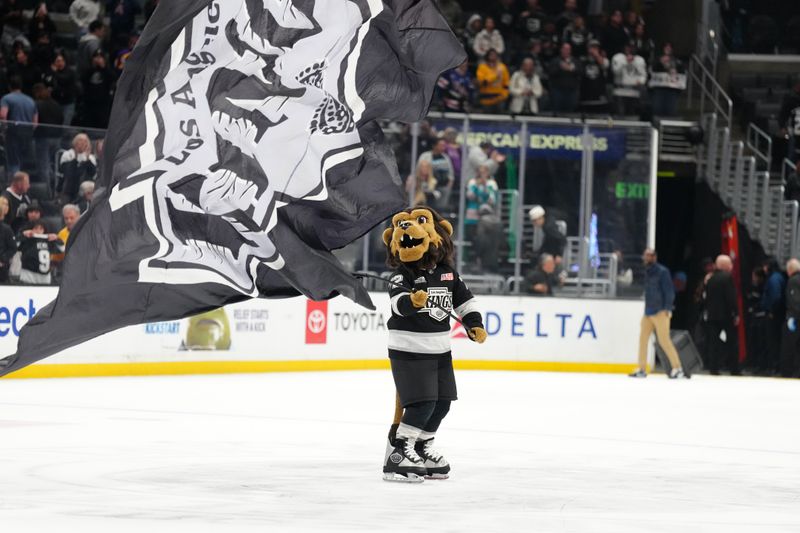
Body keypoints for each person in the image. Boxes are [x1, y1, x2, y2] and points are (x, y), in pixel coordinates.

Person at [381, 207, 486, 482]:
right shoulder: (402, 275)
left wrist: (474, 323)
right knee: (422, 403)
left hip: (440, 350)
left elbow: (465, 301)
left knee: (442, 403)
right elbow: (397, 305)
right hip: (408, 350)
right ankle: (400, 451)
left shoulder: (448, 274)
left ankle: (421, 446)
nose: (409, 228)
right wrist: (411, 301)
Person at [629, 248, 688, 378]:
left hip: (660, 311)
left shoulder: (662, 272)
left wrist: (667, 308)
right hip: (648, 311)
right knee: (643, 339)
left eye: (648, 256)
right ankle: (642, 368)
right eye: (645, 255)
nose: (645, 258)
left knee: (664, 340)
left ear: (654, 257)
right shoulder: (647, 272)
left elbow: (669, 291)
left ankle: (677, 368)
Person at [703, 255, 740, 376]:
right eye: (730, 264)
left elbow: (706, 298)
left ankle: (713, 368)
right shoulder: (727, 277)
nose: (731, 266)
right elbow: (731, 298)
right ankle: (734, 369)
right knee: (732, 342)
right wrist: (735, 313)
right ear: (725, 266)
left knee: (713, 343)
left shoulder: (710, 278)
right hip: (726, 315)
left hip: (712, 316)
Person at [1, 75, 37, 177]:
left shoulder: (6, 98)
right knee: (24, 161)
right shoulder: (30, 100)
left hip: (13, 132)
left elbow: (3, 115)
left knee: (13, 160)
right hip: (28, 133)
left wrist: (4, 130)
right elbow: (35, 122)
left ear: (9, 87)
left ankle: (14, 185)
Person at [32, 83, 63, 189]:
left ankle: (46, 191)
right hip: (57, 137)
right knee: (54, 164)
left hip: (43, 137)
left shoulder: (37, 104)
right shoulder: (56, 104)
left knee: (43, 165)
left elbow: (35, 121)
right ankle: (55, 188)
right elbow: (61, 119)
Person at [465, 164, 499, 247]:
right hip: (473, 212)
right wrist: (476, 186)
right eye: (480, 172)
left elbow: (492, 200)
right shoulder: (472, 182)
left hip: (486, 212)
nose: (482, 174)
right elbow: (469, 196)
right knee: (471, 235)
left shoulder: (492, 183)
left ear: (487, 173)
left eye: (484, 172)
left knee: (485, 236)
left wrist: (486, 187)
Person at [762, 257, 786, 374]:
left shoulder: (773, 279)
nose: (764, 268)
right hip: (778, 314)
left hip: (774, 315)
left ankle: (774, 367)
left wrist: (772, 311)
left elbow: (776, 296)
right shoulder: (778, 277)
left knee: (773, 341)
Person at [17, 220, 60, 285]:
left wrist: (57, 239)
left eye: (41, 228)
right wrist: (22, 235)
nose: (38, 231)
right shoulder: (26, 240)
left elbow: (63, 249)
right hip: (29, 274)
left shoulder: (48, 241)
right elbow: (14, 245)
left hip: (45, 276)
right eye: (36, 228)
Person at [58, 133, 97, 203]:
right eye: (80, 140)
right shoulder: (67, 154)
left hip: (85, 188)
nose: (82, 143)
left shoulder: (90, 157)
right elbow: (67, 172)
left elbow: (93, 174)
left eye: (85, 141)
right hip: (69, 187)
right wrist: (75, 158)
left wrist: (87, 160)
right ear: (75, 142)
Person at [42, 52, 78, 125]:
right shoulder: (49, 72)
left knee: (65, 125)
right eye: (58, 61)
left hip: (67, 103)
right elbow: (47, 82)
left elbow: (64, 79)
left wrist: (55, 73)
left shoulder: (70, 72)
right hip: (55, 103)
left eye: (62, 61)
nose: (60, 63)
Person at [611, 42, 647, 116]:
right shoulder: (617, 57)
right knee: (620, 114)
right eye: (628, 47)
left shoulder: (640, 60)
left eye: (632, 47)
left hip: (634, 89)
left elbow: (643, 75)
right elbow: (615, 72)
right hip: (620, 89)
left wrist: (640, 81)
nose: (629, 49)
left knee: (632, 113)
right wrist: (625, 61)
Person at [417, 139, 455, 208]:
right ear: (434, 146)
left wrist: (449, 184)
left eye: (444, 146)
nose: (443, 147)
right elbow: (420, 169)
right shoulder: (425, 156)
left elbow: (451, 172)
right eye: (441, 145)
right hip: (429, 187)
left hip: (443, 186)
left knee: (441, 208)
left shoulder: (445, 157)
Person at [649, 43, 684, 117]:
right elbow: (652, 70)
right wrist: (660, 62)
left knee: (670, 109)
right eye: (666, 47)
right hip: (659, 88)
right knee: (657, 108)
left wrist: (674, 69)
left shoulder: (677, 61)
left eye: (669, 47)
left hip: (672, 89)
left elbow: (682, 73)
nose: (668, 49)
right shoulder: (656, 59)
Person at [81, 49, 114, 128]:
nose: (98, 59)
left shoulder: (108, 71)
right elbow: (83, 81)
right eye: (96, 57)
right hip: (89, 104)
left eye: (100, 57)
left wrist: (103, 68)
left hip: (103, 105)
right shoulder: (88, 71)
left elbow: (112, 80)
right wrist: (93, 67)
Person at [548, 42, 582, 112]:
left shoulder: (575, 61)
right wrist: (560, 68)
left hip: (572, 92)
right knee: (557, 111)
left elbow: (580, 72)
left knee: (571, 111)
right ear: (561, 50)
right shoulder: (555, 61)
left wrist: (571, 69)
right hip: (558, 91)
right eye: (565, 49)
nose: (566, 51)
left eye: (568, 49)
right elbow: (551, 73)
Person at [781, 258, 800, 378]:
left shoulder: (793, 281)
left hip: (795, 319)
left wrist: (793, 317)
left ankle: (788, 372)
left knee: (790, 348)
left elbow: (795, 302)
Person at [476, 48, 510, 113]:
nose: (493, 56)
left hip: (499, 99)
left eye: (495, 55)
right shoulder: (482, 67)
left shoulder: (502, 67)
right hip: (486, 99)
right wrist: (495, 75)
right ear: (487, 56)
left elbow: (506, 83)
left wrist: (504, 95)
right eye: (491, 54)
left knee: (499, 121)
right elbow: (482, 82)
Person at [580, 39, 610, 112]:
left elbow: (604, 66)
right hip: (586, 93)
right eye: (592, 47)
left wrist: (597, 55)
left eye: (596, 47)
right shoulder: (582, 59)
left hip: (599, 92)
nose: (594, 49)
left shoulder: (604, 60)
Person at [779, 75, 800, 162]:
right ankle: (790, 174)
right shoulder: (791, 98)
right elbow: (783, 115)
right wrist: (782, 127)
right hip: (794, 132)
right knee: (792, 155)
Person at [0, 196, 18, 283]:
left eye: (7, 204)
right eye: (4, 204)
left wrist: (3, 259)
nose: (6, 207)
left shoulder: (6, 228)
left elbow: (13, 248)